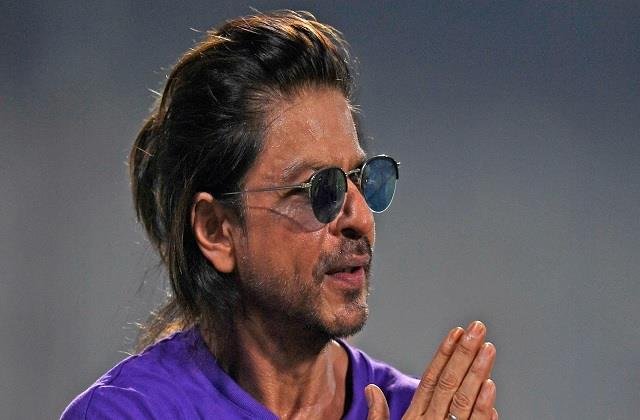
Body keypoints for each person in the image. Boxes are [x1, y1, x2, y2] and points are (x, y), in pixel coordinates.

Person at [62, 11, 497, 420]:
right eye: (319, 189)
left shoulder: (420, 411)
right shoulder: (127, 412)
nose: (360, 220)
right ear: (217, 231)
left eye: (360, 180)